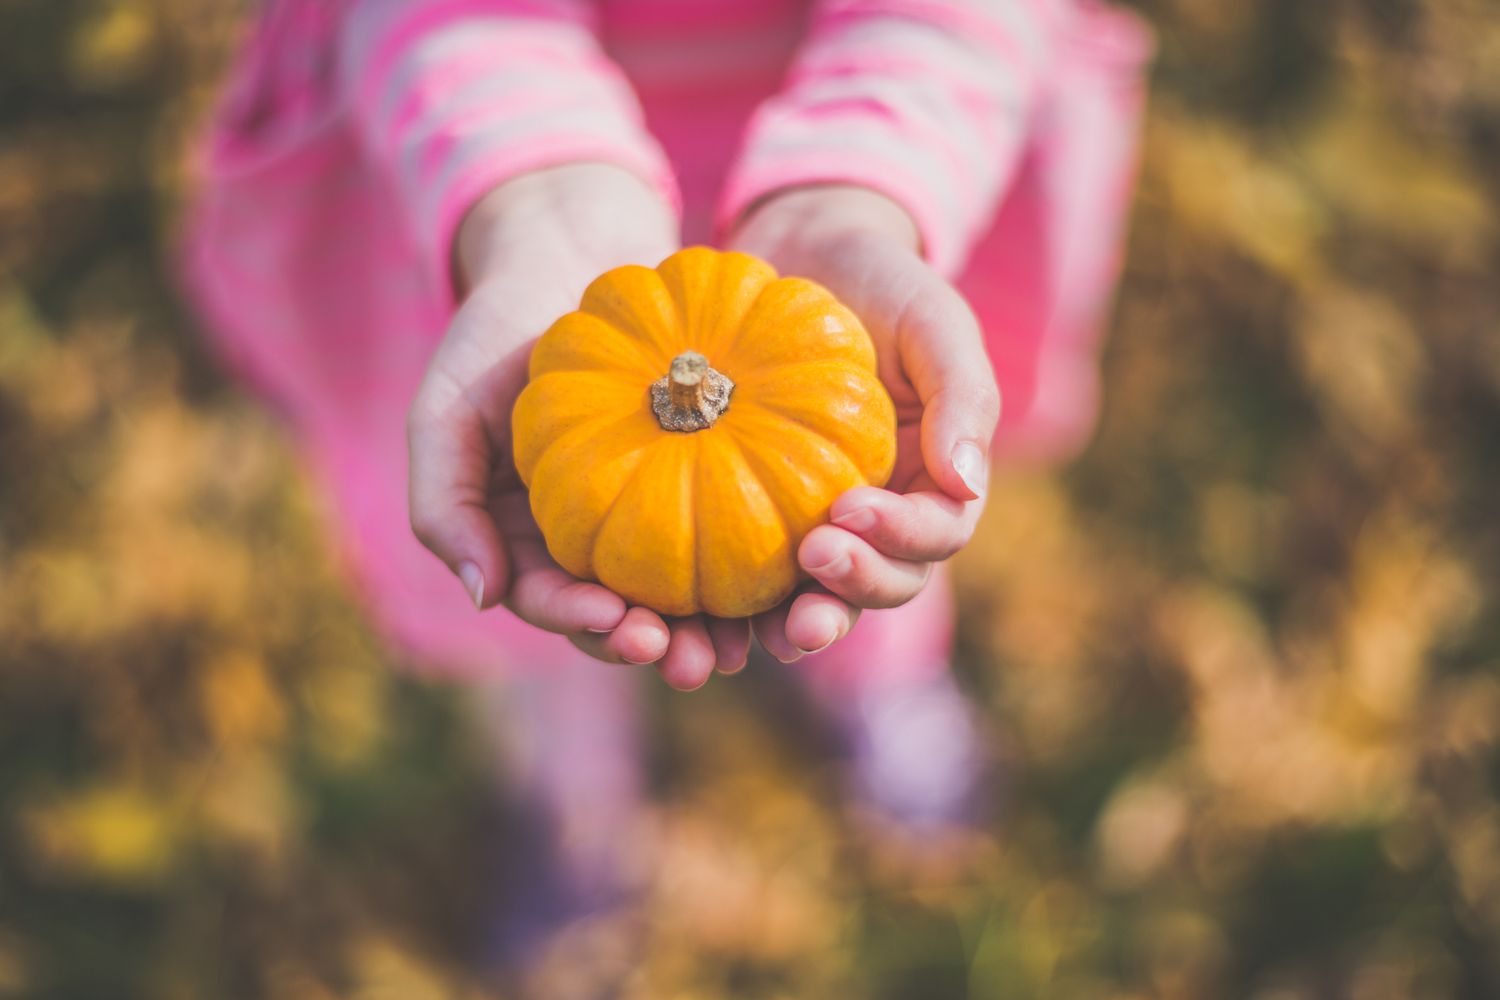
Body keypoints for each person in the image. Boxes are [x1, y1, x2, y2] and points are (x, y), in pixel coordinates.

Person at [180, 0, 1151, 974]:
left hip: (865, 170)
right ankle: (576, 802)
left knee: (870, 485)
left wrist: (861, 187)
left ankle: (878, 687)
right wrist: (535, 197)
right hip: (489, 176)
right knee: (516, 509)